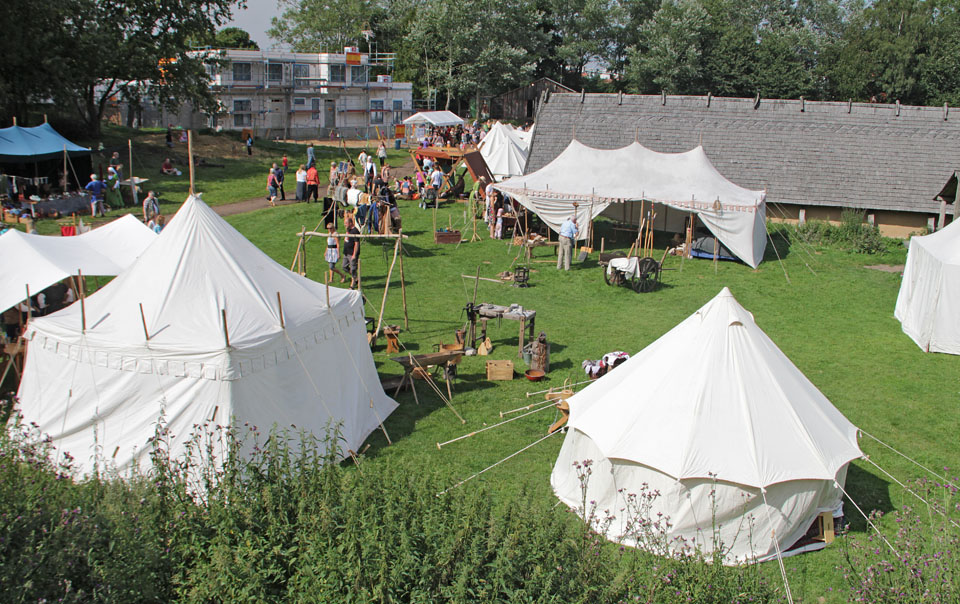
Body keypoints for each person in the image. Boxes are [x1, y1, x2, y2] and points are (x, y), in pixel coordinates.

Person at [342, 215, 361, 289]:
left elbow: (356, 244)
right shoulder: (348, 230)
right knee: (344, 267)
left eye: (346, 223)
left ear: (350, 223)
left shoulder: (355, 231)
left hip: (352, 253)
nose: (345, 225)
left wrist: (354, 255)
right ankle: (356, 278)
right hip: (346, 252)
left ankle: (352, 285)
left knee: (353, 269)